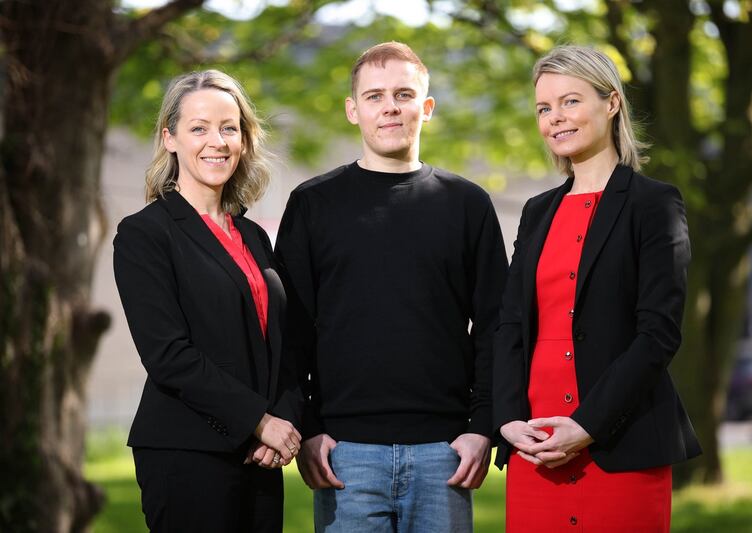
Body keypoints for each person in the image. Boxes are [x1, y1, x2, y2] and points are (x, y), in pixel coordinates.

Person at [276, 42, 508, 532]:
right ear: (353, 109)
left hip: (444, 452)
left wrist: (481, 427)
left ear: (426, 108)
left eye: (404, 94)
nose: (390, 107)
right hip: (345, 454)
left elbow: (495, 327)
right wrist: (309, 429)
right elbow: (290, 331)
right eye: (375, 95)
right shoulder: (313, 204)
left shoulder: (467, 204)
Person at [493, 45, 702, 531]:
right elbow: (510, 325)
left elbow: (658, 334)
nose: (555, 118)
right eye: (544, 108)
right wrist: (506, 420)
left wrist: (587, 426)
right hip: (536, 444)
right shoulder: (537, 211)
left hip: (620, 443)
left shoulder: (655, 204)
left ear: (611, 104)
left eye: (570, 101)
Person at [113, 69, 303, 532]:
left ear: (243, 139)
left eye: (228, 128)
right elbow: (168, 355)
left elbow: (284, 343)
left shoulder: (255, 236)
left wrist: (284, 419)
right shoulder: (144, 234)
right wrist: (258, 420)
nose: (216, 141)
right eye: (198, 128)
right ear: (170, 138)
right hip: (185, 454)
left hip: (260, 457)